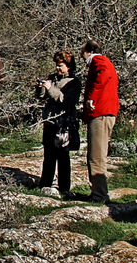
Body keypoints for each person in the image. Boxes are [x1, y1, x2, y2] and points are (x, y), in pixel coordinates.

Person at [35, 50, 81, 196]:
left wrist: (51, 89)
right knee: (48, 154)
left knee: (63, 156)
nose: (57, 68)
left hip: (63, 122)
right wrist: (40, 88)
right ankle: (45, 184)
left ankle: (64, 188)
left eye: (60, 65)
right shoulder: (52, 78)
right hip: (50, 121)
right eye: (56, 65)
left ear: (68, 65)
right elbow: (42, 97)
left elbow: (66, 100)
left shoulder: (75, 82)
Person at [80, 40, 120, 203]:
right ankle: (98, 192)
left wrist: (92, 98)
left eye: (82, 51)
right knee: (98, 154)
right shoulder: (104, 61)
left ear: (88, 51)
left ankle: (99, 194)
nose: (81, 55)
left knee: (96, 155)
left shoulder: (99, 61)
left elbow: (102, 75)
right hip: (106, 112)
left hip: (100, 112)